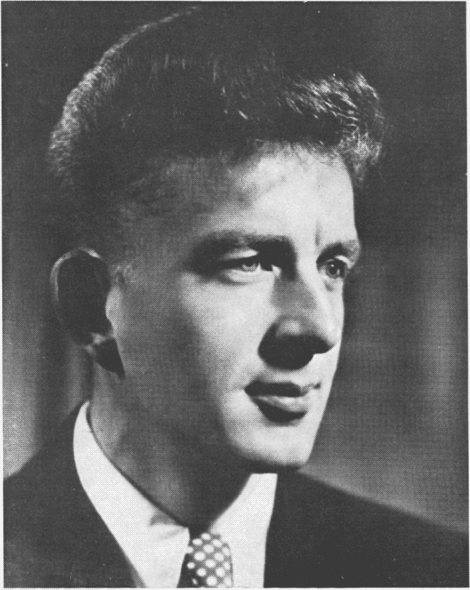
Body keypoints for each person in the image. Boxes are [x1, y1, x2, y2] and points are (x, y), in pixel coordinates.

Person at [4, 5, 467, 588]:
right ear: (91, 307)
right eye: (248, 262)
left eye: (333, 267)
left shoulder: (438, 571)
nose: (319, 329)